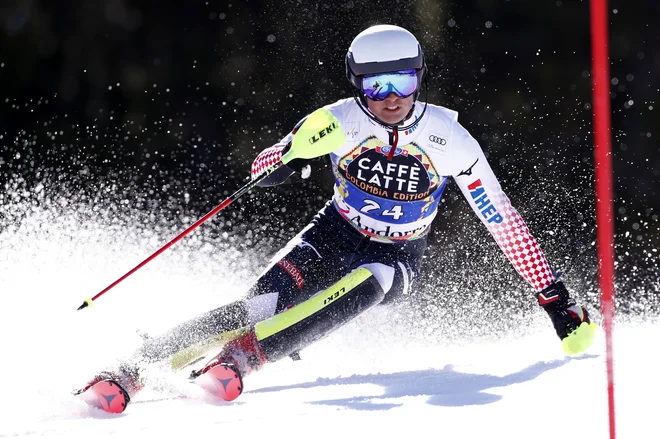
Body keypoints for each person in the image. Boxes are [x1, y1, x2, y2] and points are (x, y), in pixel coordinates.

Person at [76, 24, 596, 412]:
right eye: (376, 85)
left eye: (402, 81)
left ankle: (239, 360)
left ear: (419, 78)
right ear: (356, 83)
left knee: (374, 281)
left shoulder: (449, 138)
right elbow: (266, 163)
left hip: (397, 255)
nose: (390, 98)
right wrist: (285, 157)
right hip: (331, 233)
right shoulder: (338, 121)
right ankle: (130, 370)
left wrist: (554, 298)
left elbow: (501, 220)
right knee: (256, 306)